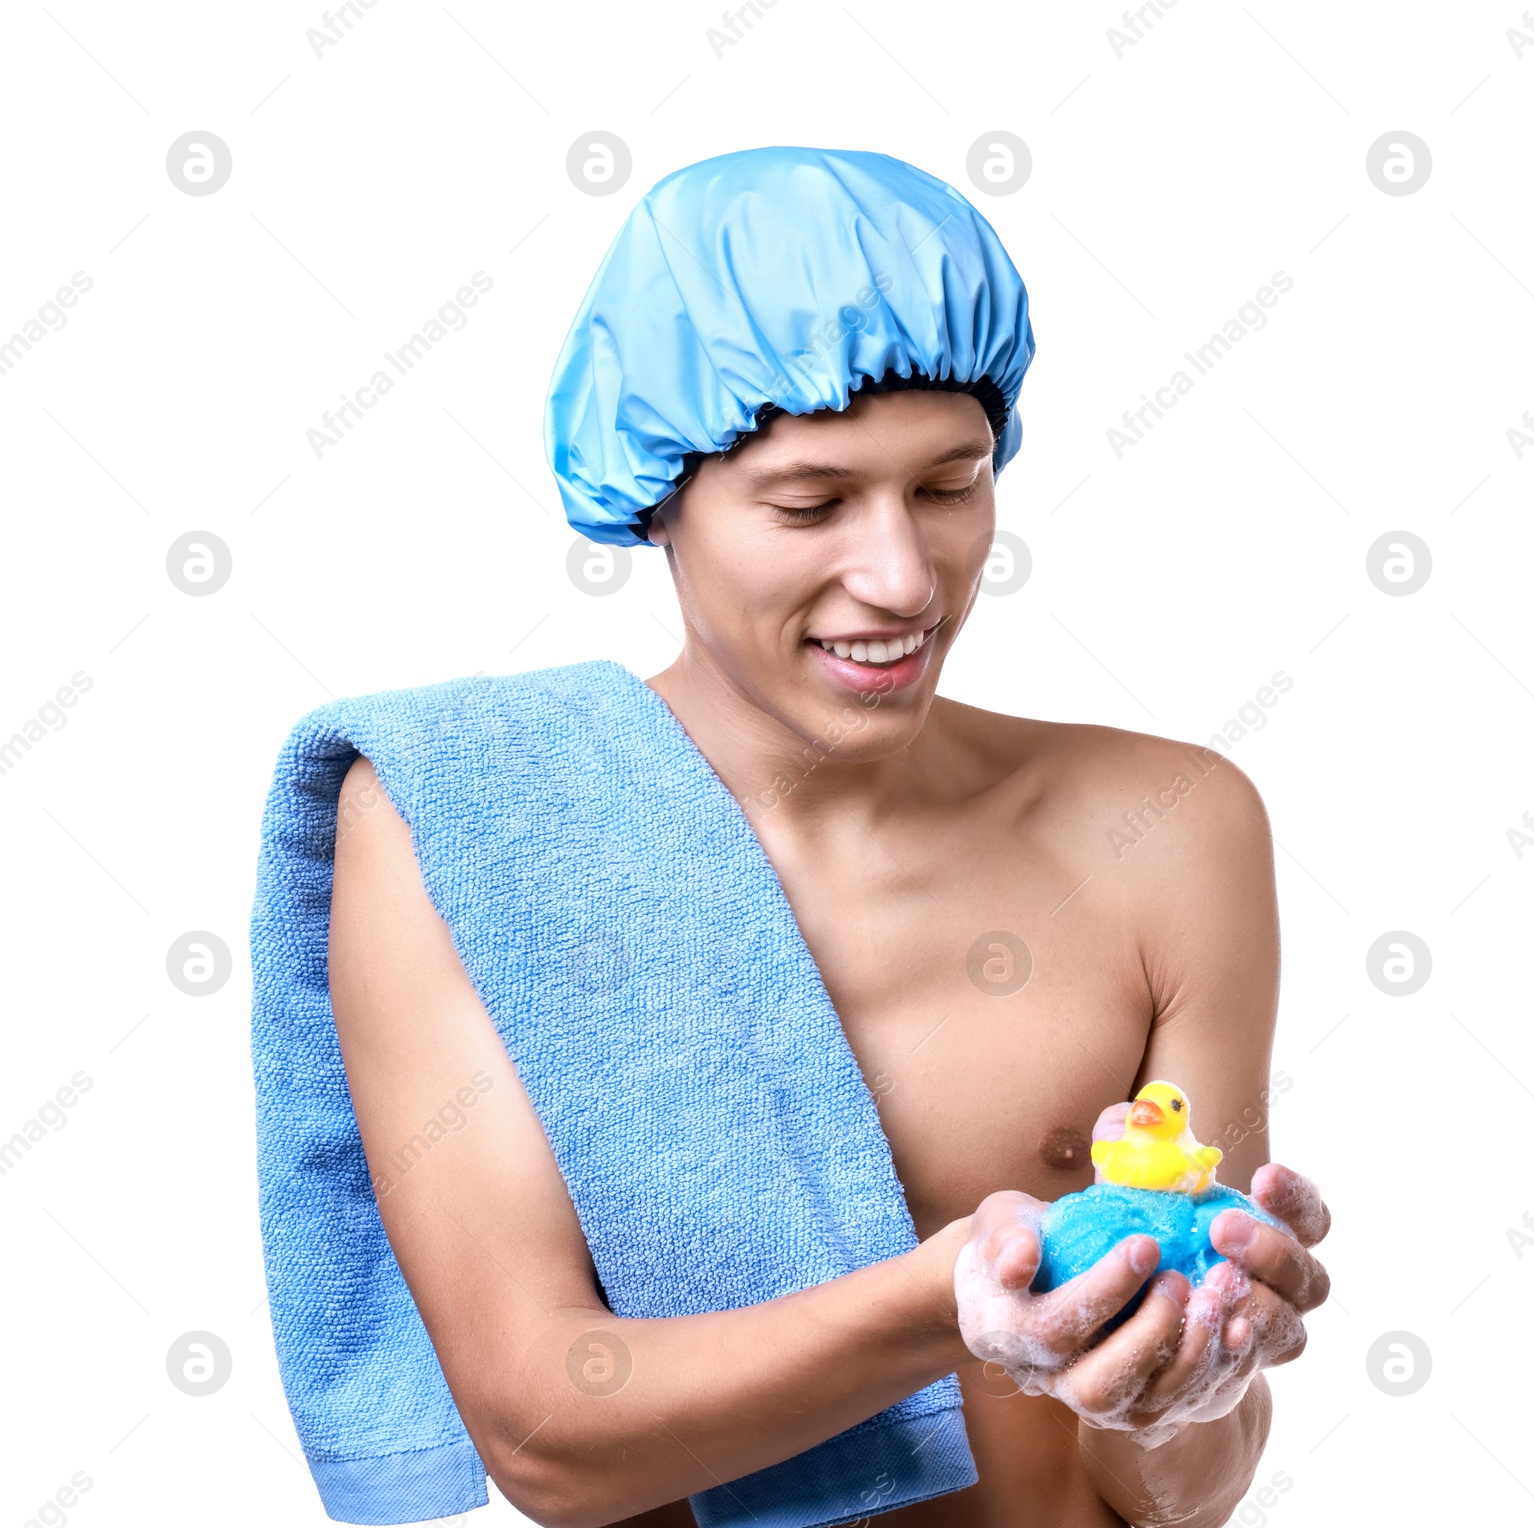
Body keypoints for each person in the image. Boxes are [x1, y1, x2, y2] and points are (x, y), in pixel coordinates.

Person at [321, 147, 1330, 1527]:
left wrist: (1186, 1388)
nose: (904, 578)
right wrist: (947, 1309)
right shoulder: (471, 830)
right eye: (809, 504)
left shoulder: (1172, 831)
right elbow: (549, 1434)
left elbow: (1175, 1489)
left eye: (950, 483)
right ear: (657, 493)